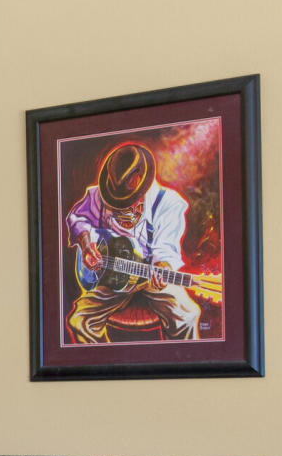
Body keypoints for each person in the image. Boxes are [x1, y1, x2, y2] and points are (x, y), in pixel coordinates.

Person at [66, 140, 204, 342]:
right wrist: (87, 246)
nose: (120, 207)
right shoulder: (98, 194)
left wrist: (162, 268)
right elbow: (78, 218)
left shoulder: (168, 203)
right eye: (117, 202)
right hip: (110, 279)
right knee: (80, 320)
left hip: (150, 275)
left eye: (127, 201)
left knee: (186, 315)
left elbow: (165, 249)